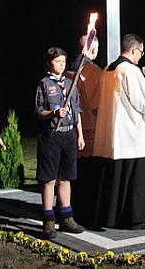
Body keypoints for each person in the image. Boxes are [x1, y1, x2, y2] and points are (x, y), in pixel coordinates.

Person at [89, 34, 145, 230]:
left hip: (111, 133)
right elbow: (142, 101)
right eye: (141, 52)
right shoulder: (130, 70)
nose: (141, 56)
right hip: (131, 132)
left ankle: (111, 217)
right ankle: (136, 218)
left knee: (116, 176)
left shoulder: (107, 69)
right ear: (134, 50)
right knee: (136, 177)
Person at [35, 47, 85, 239]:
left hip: (69, 135)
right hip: (51, 136)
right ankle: (48, 220)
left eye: (64, 61)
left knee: (66, 178)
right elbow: (38, 112)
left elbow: (76, 112)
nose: (62, 64)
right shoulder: (44, 84)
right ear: (49, 63)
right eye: (58, 61)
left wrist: (79, 135)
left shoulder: (71, 84)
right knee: (49, 179)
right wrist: (53, 114)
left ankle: (66, 217)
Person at [69, 36, 102, 223]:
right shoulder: (93, 71)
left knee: (74, 174)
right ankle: (88, 213)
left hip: (72, 127)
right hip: (90, 127)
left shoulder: (70, 70)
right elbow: (97, 104)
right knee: (89, 175)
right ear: (94, 50)